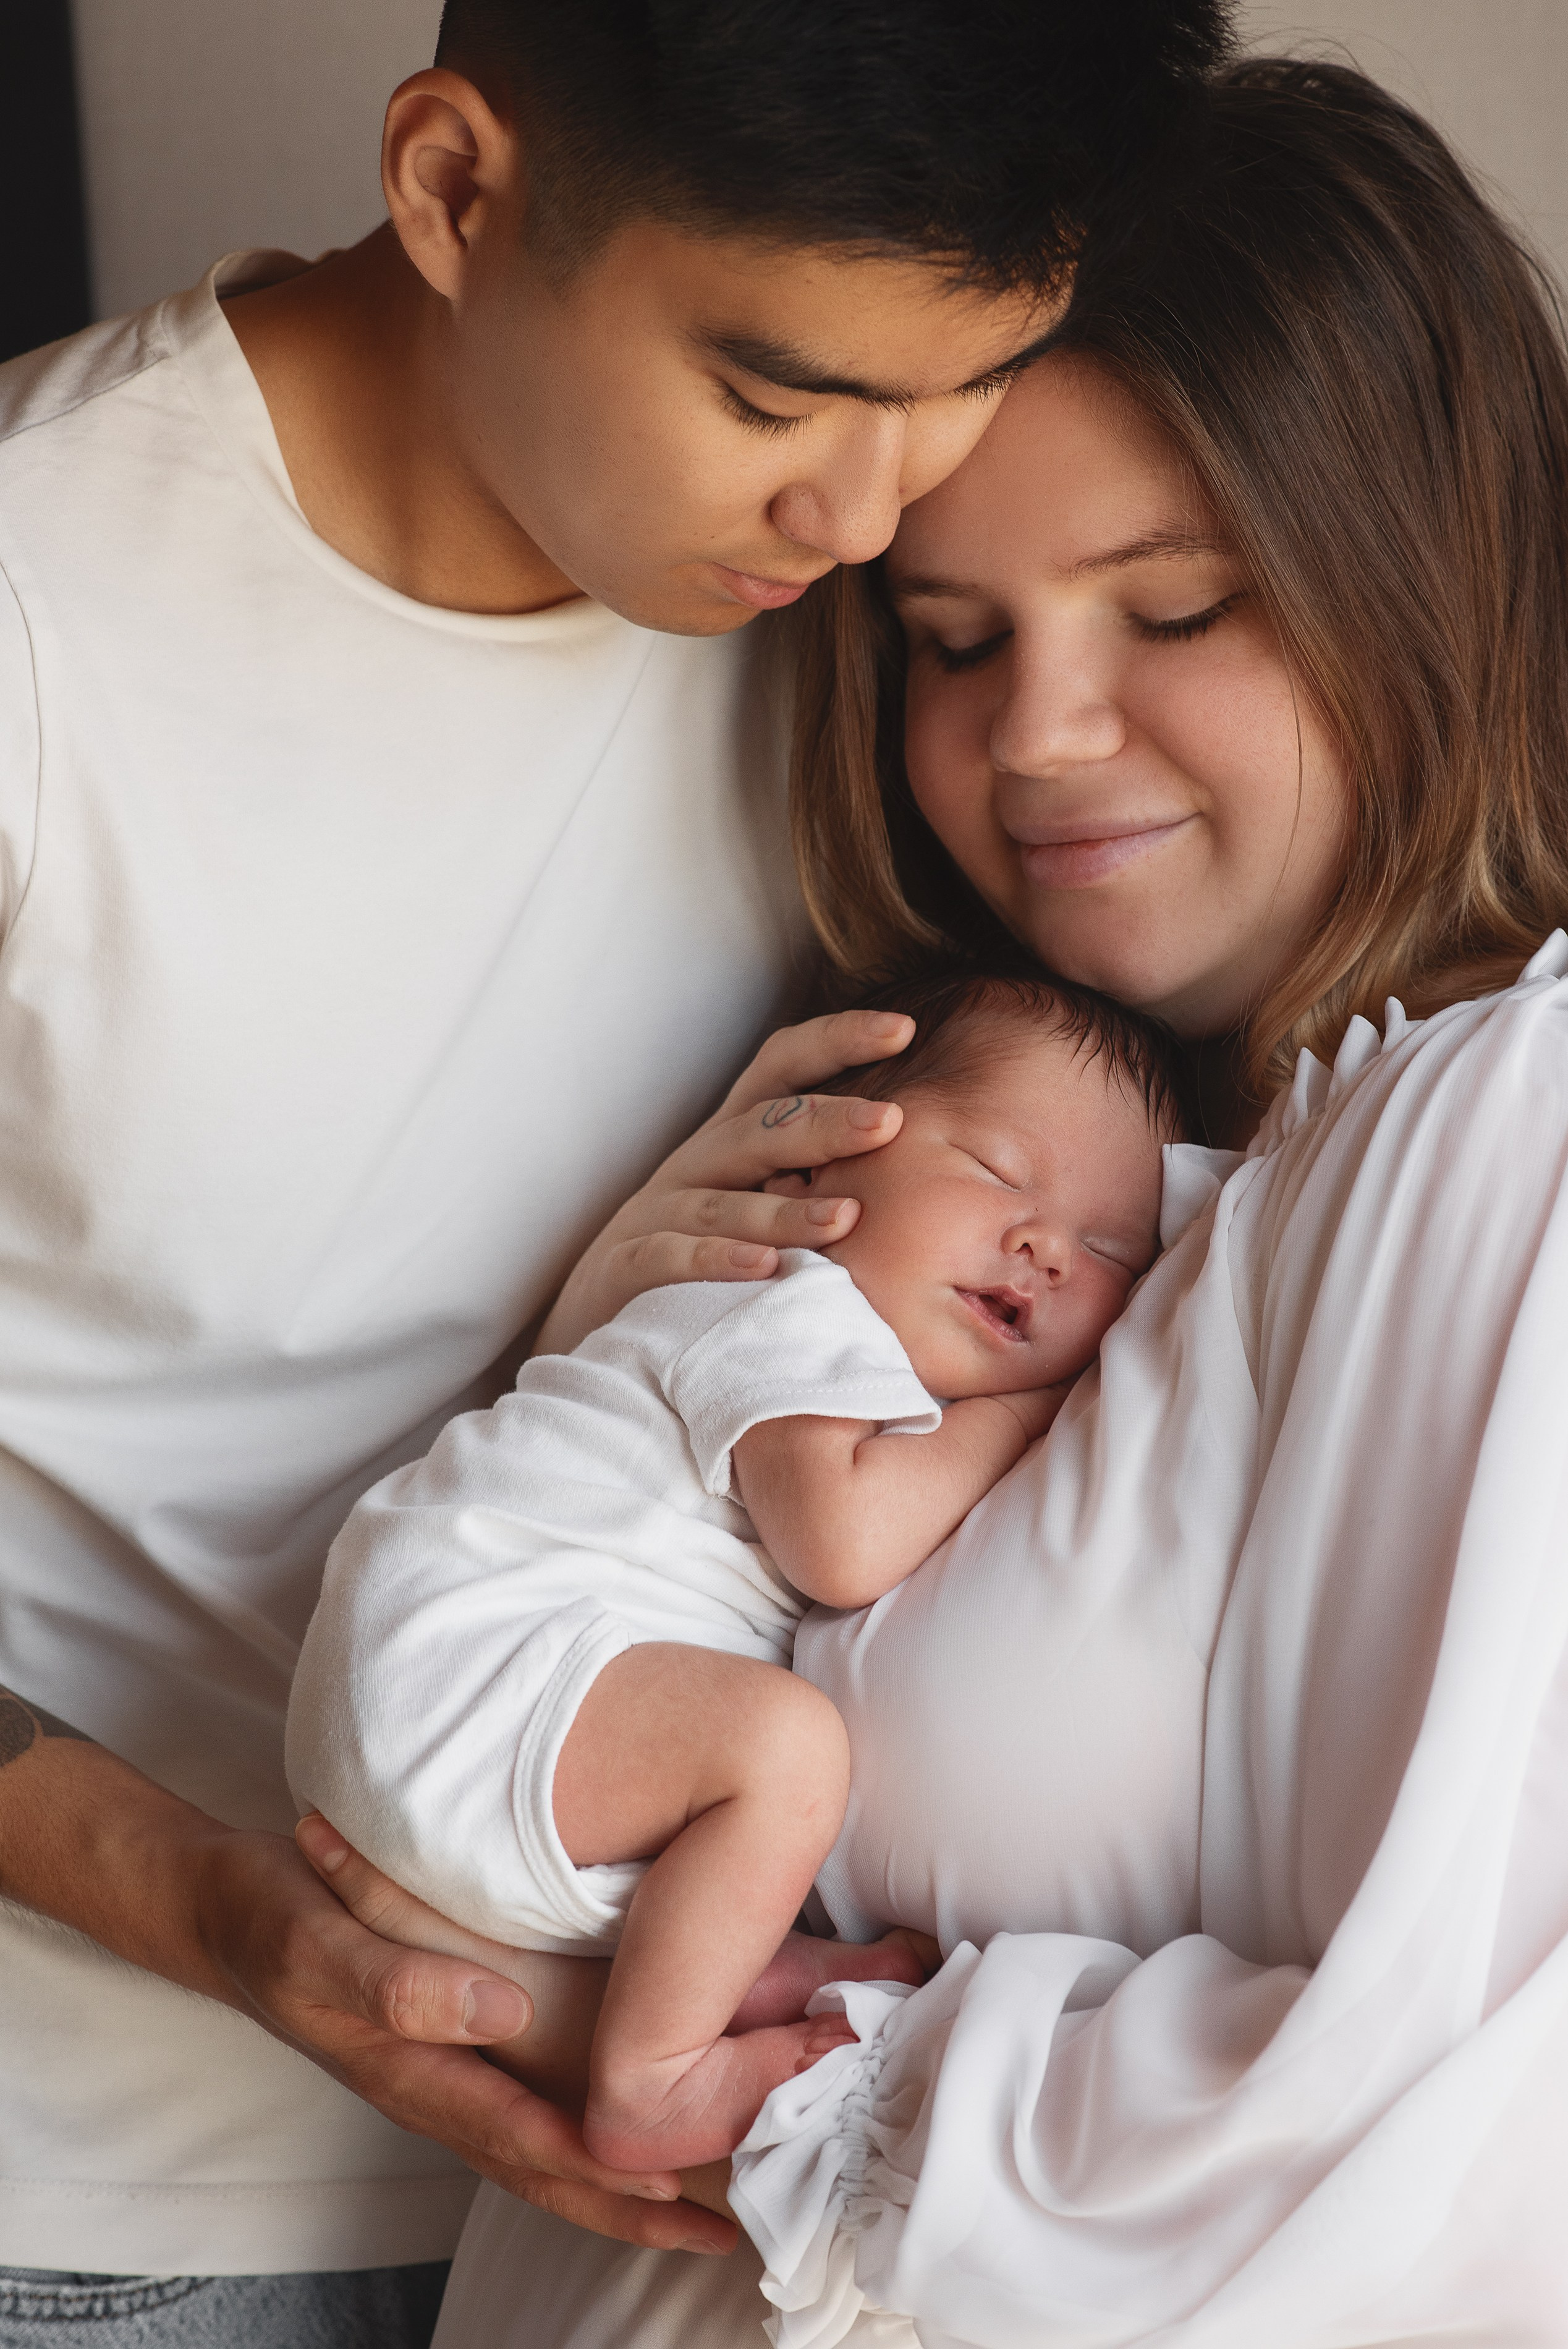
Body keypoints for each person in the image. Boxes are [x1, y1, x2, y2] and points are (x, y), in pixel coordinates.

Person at [297, 54, 1568, 2347]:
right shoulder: (1021, 1148)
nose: (1034, 740)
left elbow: (1479, 2120)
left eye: (1170, 608)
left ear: (1423, 576)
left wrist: (766, 2086)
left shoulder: (1503, 1140)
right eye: (950, 642)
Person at [0, 0, 1232, 2338]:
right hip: (93, 2213)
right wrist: (227, 1921)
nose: (864, 513)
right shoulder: (38, 622)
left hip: (654, 2215)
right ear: (458, 190)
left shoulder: (882, 609)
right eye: (772, 397)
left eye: (952, 382)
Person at [286, 967, 1182, 2172]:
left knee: (747, 1778)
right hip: (468, 1665)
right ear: (811, 1174)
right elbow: (844, 1542)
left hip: (458, 1717)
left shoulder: (853, 1355)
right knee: (785, 1748)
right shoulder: (786, 1309)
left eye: (1111, 1247)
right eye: (998, 1172)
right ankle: (653, 2079)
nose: (1045, 1245)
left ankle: (757, 1974)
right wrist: (1022, 1418)